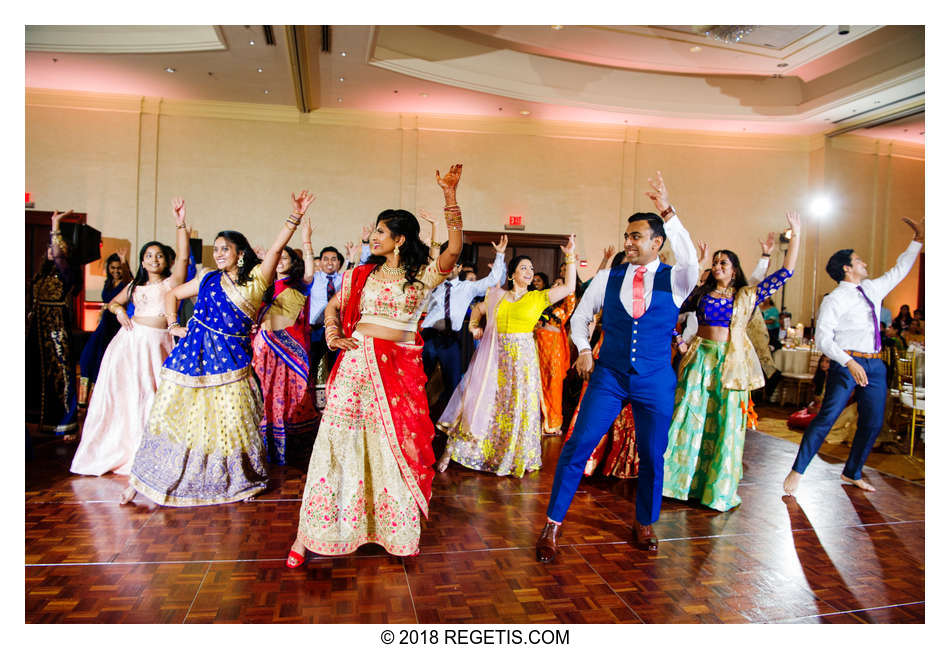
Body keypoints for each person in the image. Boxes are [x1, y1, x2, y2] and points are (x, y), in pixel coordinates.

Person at [286, 164, 464, 565]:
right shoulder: (360, 274)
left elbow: (453, 249)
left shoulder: (420, 275)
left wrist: (450, 197)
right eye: (374, 232)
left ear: (399, 239)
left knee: (389, 447)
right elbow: (332, 307)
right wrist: (332, 336)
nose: (373, 237)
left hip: (396, 373)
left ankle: (390, 531)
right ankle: (308, 535)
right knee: (336, 446)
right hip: (354, 366)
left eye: (381, 232)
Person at [536, 171, 697, 561]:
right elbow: (579, 317)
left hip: (655, 379)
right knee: (577, 445)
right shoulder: (609, 277)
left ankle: (644, 522)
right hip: (608, 376)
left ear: (657, 242)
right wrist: (584, 348)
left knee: (652, 454)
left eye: (636, 236)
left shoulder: (677, 279)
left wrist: (667, 211)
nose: (628, 241)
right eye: (627, 236)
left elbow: (690, 255)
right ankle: (552, 524)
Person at [122, 190, 317, 506]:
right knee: (170, 413)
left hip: (232, 361)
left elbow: (278, 247)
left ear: (241, 253)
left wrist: (294, 217)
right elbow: (172, 295)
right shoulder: (208, 279)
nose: (220, 253)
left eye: (227, 249)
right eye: (218, 248)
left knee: (233, 420)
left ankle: (237, 480)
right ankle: (142, 479)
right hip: (191, 358)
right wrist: (174, 325)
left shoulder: (255, 281)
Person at [662, 212, 800, 512]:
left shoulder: (746, 295)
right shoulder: (700, 293)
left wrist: (796, 235)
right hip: (699, 358)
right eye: (715, 262)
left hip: (730, 363)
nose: (717, 266)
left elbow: (785, 273)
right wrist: (679, 340)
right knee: (688, 415)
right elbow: (673, 310)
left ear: (735, 270)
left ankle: (716, 489)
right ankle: (677, 483)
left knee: (725, 422)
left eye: (723, 262)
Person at [783, 216, 924, 495]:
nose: (865, 263)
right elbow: (823, 339)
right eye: (859, 260)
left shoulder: (872, 289)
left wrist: (917, 240)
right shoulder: (835, 299)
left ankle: (852, 472)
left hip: (874, 365)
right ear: (847, 268)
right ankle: (797, 471)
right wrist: (848, 361)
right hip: (846, 363)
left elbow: (899, 270)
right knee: (827, 418)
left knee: (872, 422)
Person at [436, 237, 577, 477]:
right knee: (478, 402)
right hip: (494, 357)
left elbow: (569, 288)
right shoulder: (497, 296)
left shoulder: (538, 297)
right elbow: (477, 311)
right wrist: (474, 328)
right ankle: (458, 452)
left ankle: (512, 455)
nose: (530, 272)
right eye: (524, 267)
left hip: (523, 361)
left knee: (516, 407)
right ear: (511, 275)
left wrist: (571, 256)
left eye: (532, 268)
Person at [70, 200, 191, 476]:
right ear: (142, 261)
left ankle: (155, 451)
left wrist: (180, 223)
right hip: (131, 344)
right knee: (131, 395)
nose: (154, 259)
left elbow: (183, 257)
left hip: (158, 343)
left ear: (165, 260)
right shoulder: (134, 285)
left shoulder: (171, 282)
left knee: (158, 394)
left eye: (159, 255)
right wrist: (120, 311)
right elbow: (111, 303)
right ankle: (126, 447)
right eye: (149, 255)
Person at [251, 217, 318, 465]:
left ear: (293, 263)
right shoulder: (264, 285)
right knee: (264, 393)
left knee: (289, 395)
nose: (279, 262)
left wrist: (306, 240)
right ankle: (263, 444)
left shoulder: (299, 285)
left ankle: (289, 447)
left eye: (285, 258)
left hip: (288, 348)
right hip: (263, 347)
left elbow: (311, 271)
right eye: (276, 258)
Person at [420, 236, 507, 411]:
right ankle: (417, 418)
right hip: (428, 337)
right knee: (420, 381)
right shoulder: (431, 283)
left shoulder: (467, 287)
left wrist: (500, 255)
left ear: (458, 267)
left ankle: (447, 423)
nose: (445, 266)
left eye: (450, 263)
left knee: (453, 383)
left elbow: (492, 280)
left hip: (450, 340)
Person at [26, 210, 80, 438]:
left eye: (56, 246)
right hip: (37, 327)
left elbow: (59, 257)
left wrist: (55, 224)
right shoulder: (41, 274)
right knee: (34, 371)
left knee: (60, 373)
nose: (52, 250)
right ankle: (37, 420)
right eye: (49, 247)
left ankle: (65, 422)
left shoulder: (66, 273)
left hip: (56, 326)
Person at [78, 251, 132, 407]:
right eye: (113, 268)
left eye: (118, 268)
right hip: (104, 323)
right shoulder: (107, 283)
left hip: (116, 324)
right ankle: (84, 399)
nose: (116, 271)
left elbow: (129, 279)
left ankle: (101, 399)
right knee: (88, 356)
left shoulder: (126, 284)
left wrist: (124, 262)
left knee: (104, 359)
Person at [535, 277, 577, 435]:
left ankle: (552, 424)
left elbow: (571, 298)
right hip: (538, 348)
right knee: (537, 384)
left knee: (554, 385)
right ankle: (537, 422)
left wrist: (568, 277)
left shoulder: (564, 308)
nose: (557, 286)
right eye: (555, 283)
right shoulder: (540, 303)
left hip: (554, 350)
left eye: (561, 284)